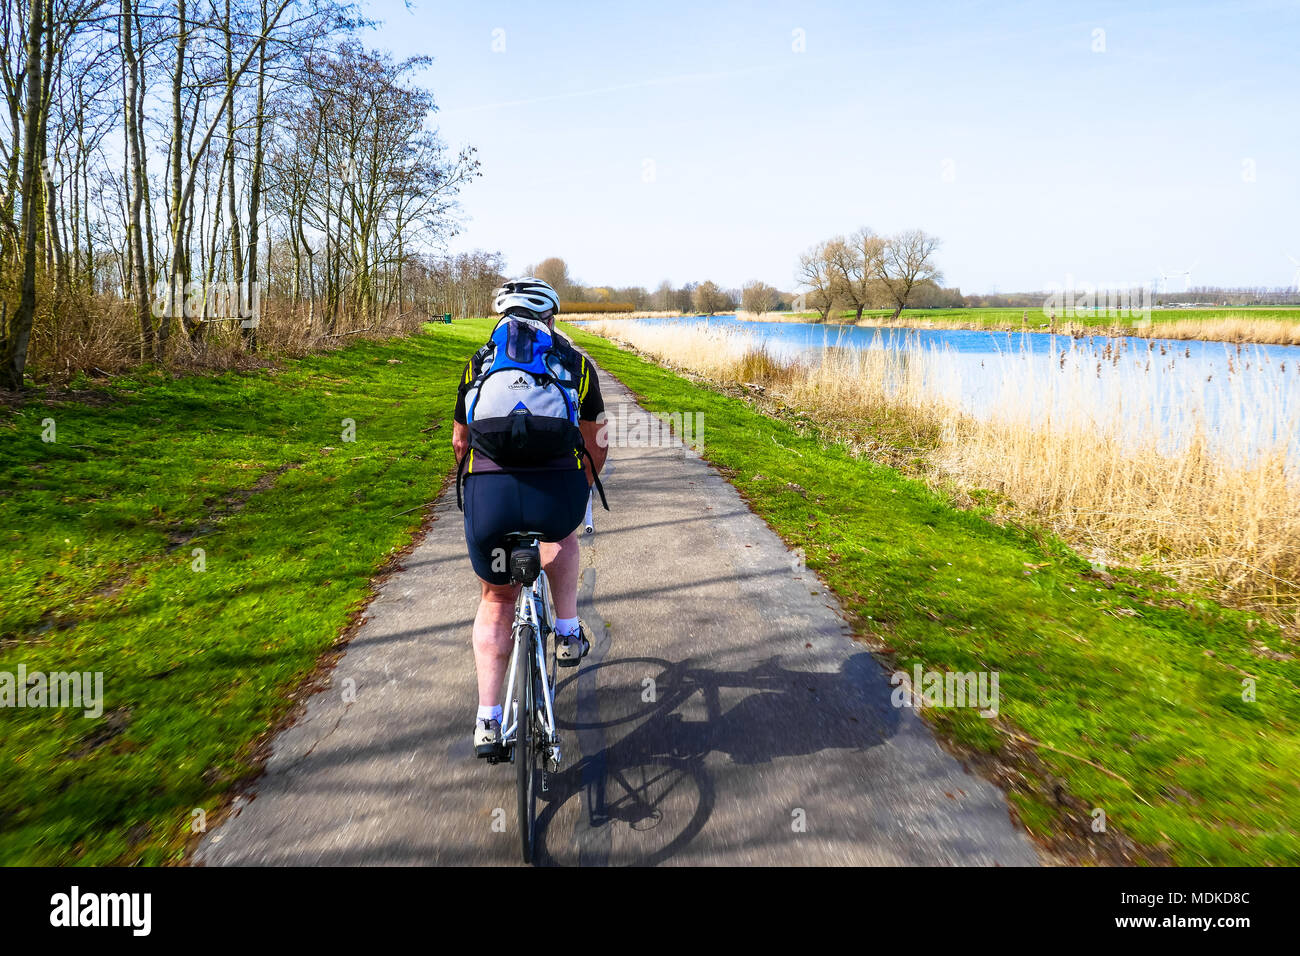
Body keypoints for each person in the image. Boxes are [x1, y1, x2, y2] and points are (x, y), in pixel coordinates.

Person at [452, 277, 607, 757]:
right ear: (549, 318)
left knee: (497, 597)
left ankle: (488, 722)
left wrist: (478, 486)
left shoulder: (477, 363)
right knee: (562, 536)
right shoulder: (576, 364)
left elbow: (461, 441)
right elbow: (596, 441)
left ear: (500, 317)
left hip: (490, 497)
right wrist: (578, 490)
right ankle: (565, 632)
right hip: (553, 493)